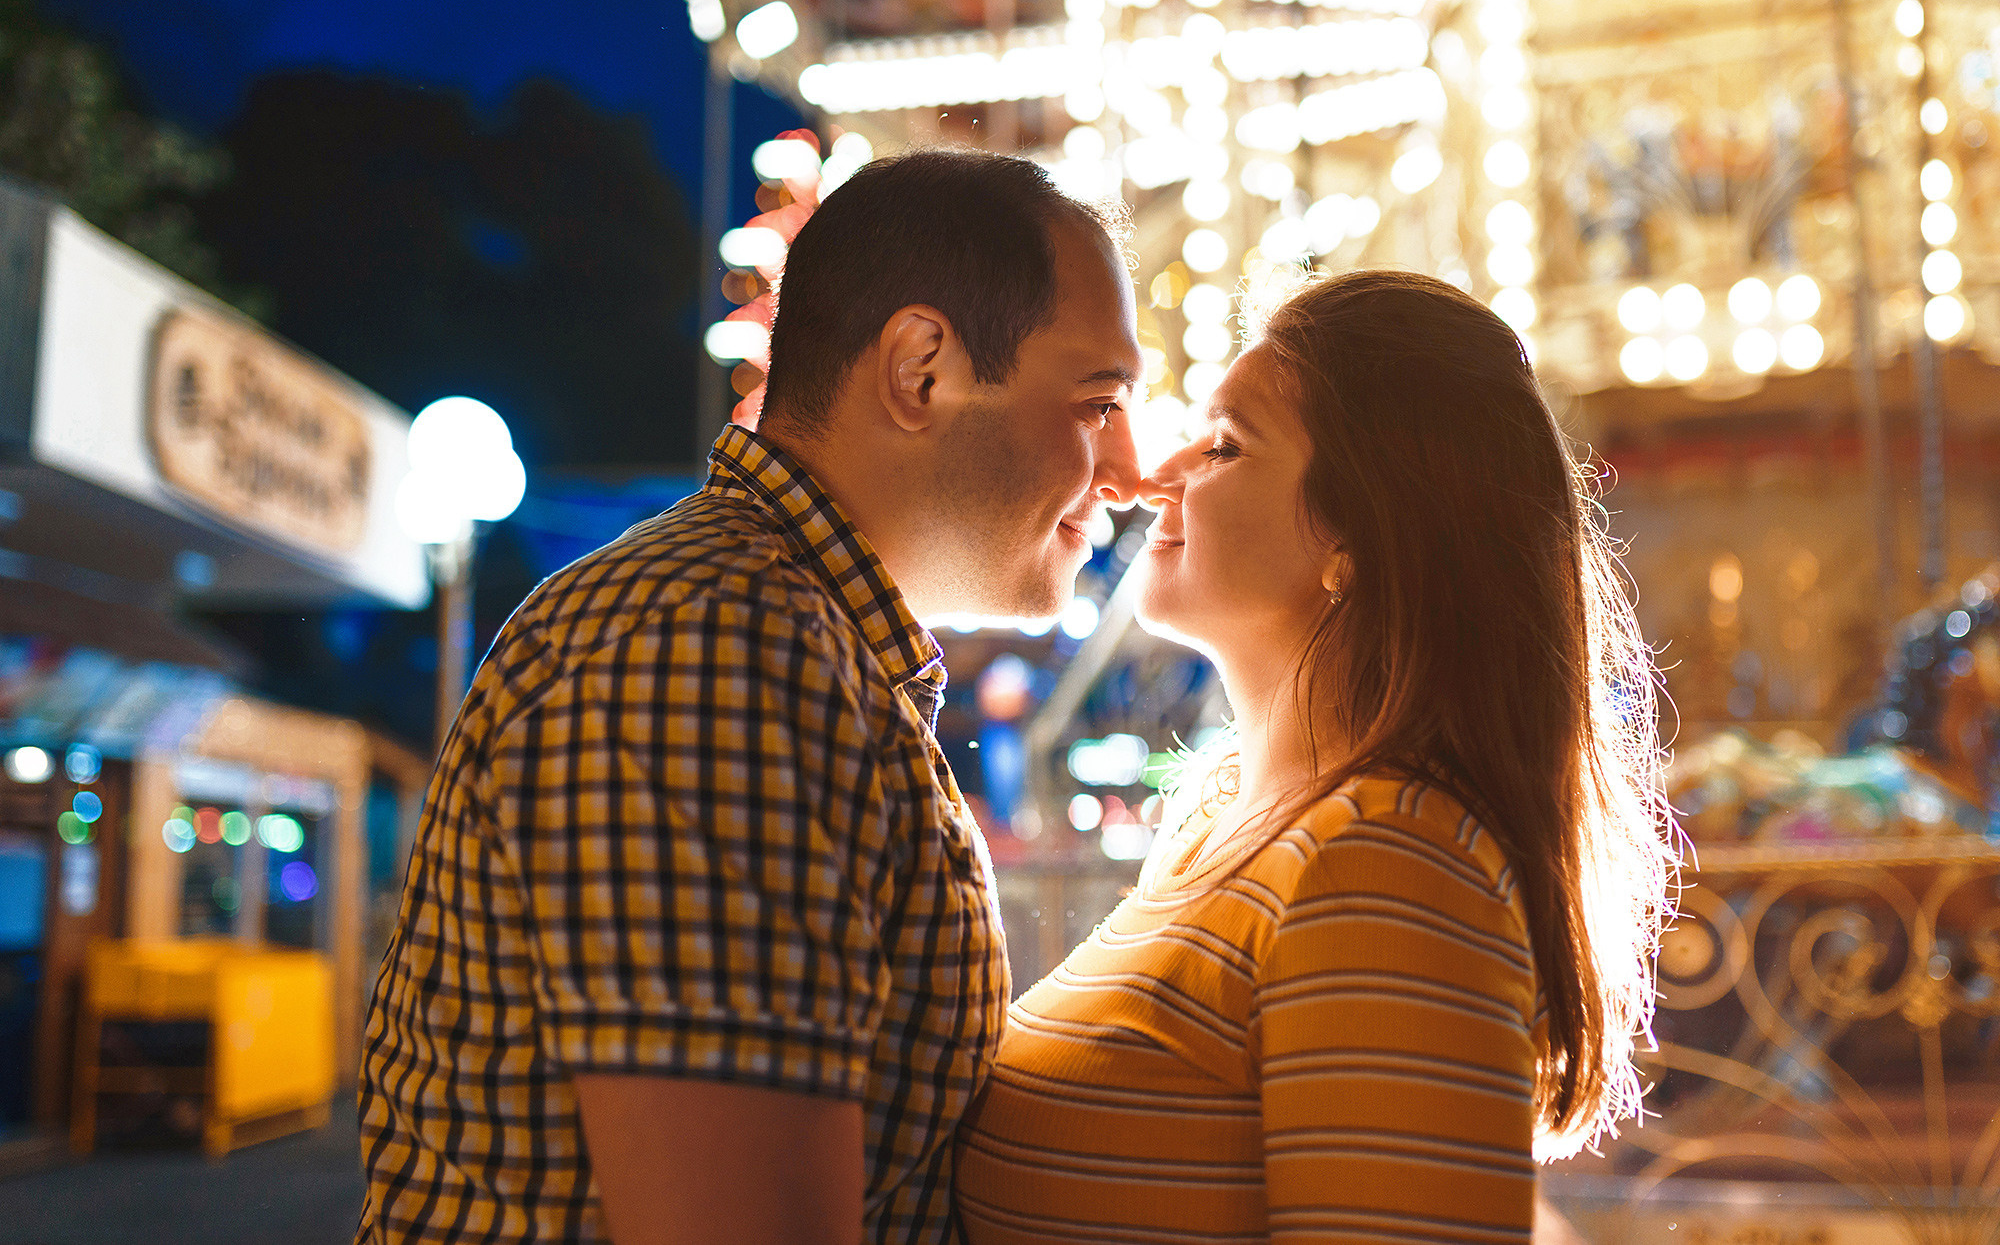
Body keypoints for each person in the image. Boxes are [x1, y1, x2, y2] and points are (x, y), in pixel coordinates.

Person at [356, 148, 1143, 1245]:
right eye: (1098, 403)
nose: (1130, 469)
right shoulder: (715, 646)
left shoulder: (794, 641)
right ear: (920, 368)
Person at [955, 270, 1679, 1243]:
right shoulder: (1225, 815)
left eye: (1224, 443)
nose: (1163, 471)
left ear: (1356, 533)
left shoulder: (1383, 860)